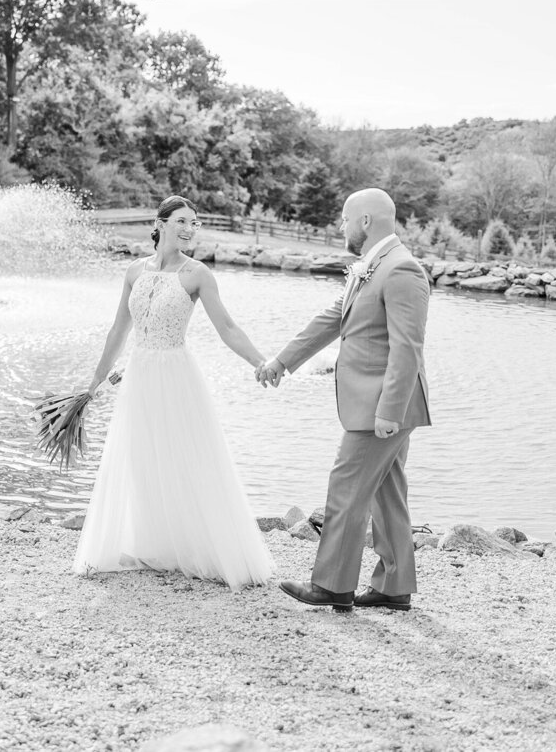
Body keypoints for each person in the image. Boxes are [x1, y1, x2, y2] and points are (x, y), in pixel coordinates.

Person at [72, 195, 275, 589]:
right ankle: (154, 543)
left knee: (185, 455)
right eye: (182, 221)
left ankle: (200, 546)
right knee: (141, 455)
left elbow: (228, 328)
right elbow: (119, 331)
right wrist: (94, 382)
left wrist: (261, 363)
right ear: (161, 223)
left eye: (195, 223)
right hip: (139, 375)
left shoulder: (198, 274)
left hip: (175, 374)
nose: (189, 229)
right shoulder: (134, 271)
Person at [256, 187, 431, 612]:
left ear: (366, 222)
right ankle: (393, 587)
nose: (340, 225)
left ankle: (332, 586)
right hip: (377, 405)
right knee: (385, 494)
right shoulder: (370, 267)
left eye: (344, 218)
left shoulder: (402, 269)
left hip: (382, 407)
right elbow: (332, 320)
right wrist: (283, 361)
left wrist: (389, 411)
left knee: (346, 489)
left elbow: (407, 348)